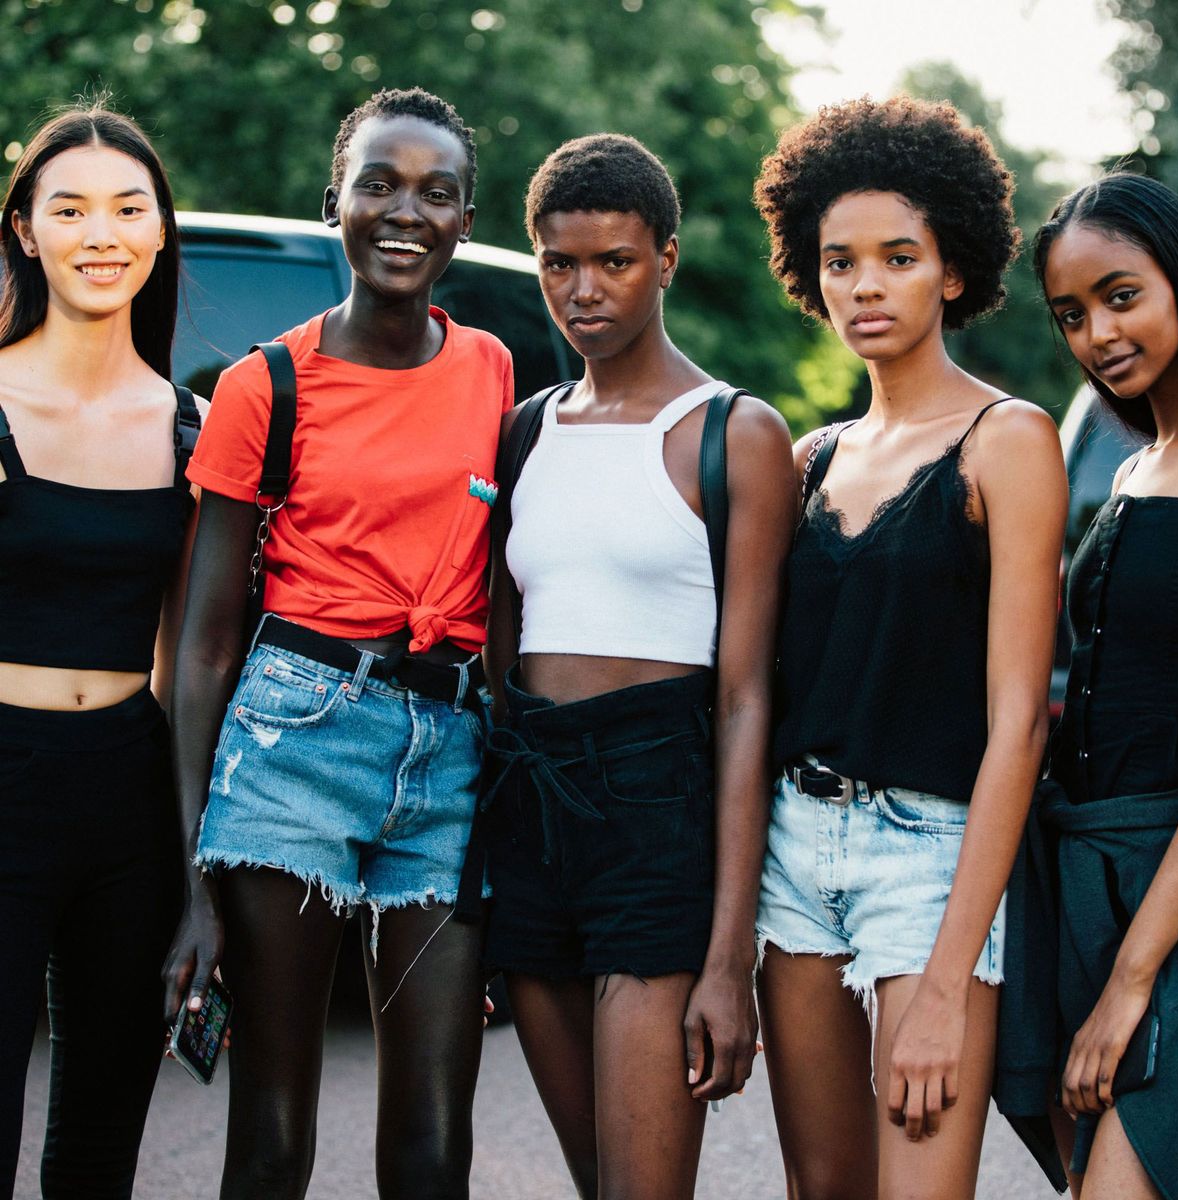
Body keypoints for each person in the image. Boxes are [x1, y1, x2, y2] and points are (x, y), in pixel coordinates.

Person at [160, 87, 512, 1200]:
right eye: (379, 184)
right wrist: (191, 873)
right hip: (292, 744)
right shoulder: (263, 385)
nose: (404, 211)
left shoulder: (497, 370)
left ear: (465, 220)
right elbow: (205, 643)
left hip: (447, 760)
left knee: (433, 1144)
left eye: (436, 192)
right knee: (270, 1139)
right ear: (336, 204)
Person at [753, 96, 1067, 1200]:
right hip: (793, 853)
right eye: (840, 261)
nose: (866, 285)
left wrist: (946, 977)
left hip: (927, 860)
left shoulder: (1009, 441)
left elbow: (1019, 720)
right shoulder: (809, 457)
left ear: (952, 267)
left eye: (898, 256)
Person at [482, 133, 794, 1200]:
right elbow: (503, 647)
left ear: (665, 257)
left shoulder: (732, 432)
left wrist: (728, 954)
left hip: (659, 813)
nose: (583, 290)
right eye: (559, 263)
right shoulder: (524, 433)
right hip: (531, 808)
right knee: (598, 1182)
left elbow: (749, 699)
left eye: (613, 261)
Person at [0, 103, 201, 1199]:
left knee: (99, 1144)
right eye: (68, 209)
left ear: (162, 232)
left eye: (129, 208)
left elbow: (191, 649)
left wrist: (193, 853)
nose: (101, 233)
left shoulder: (193, 428)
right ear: (24, 230)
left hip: (129, 794)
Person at [1030, 172, 1178, 1200]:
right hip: (1094, 879)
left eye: (1121, 295)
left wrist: (1131, 982)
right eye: (1072, 315)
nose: (1097, 333)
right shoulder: (1132, 464)